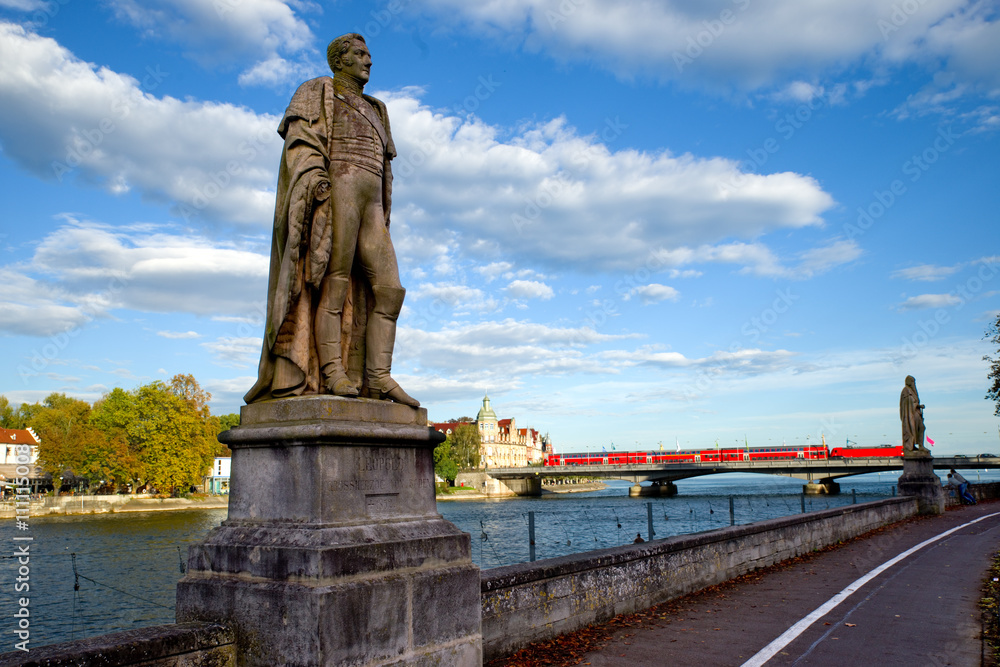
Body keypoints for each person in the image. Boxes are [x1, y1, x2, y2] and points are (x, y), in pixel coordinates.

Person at [245, 33, 418, 407]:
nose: (368, 61)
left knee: (389, 289)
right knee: (333, 282)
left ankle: (378, 376)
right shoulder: (317, 91)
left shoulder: (378, 108)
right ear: (339, 61)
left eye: (369, 54)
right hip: (337, 190)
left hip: (371, 201)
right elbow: (300, 142)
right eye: (359, 54)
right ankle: (331, 371)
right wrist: (316, 182)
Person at [899, 376, 928, 454]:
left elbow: (913, 402)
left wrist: (918, 406)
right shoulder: (906, 391)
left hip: (915, 412)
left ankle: (921, 446)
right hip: (910, 414)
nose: (913, 384)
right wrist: (917, 405)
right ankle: (911, 445)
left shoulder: (912, 391)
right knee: (912, 428)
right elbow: (908, 403)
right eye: (912, 382)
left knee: (921, 428)